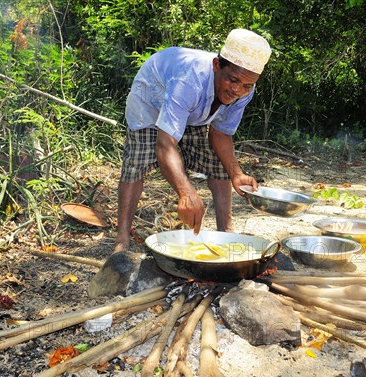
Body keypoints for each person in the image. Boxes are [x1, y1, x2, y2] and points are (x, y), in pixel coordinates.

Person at [114, 28, 271, 254]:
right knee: (135, 166)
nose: (237, 90)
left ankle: (226, 233)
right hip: (150, 103)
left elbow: (221, 133)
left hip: (195, 112)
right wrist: (186, 193)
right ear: (217, 65)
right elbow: (165, 144)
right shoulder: (189, 80)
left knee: (219, 164)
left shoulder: (246, 89)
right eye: (232, 80)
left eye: (246, 85)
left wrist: (237, 174)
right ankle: (122, 238)